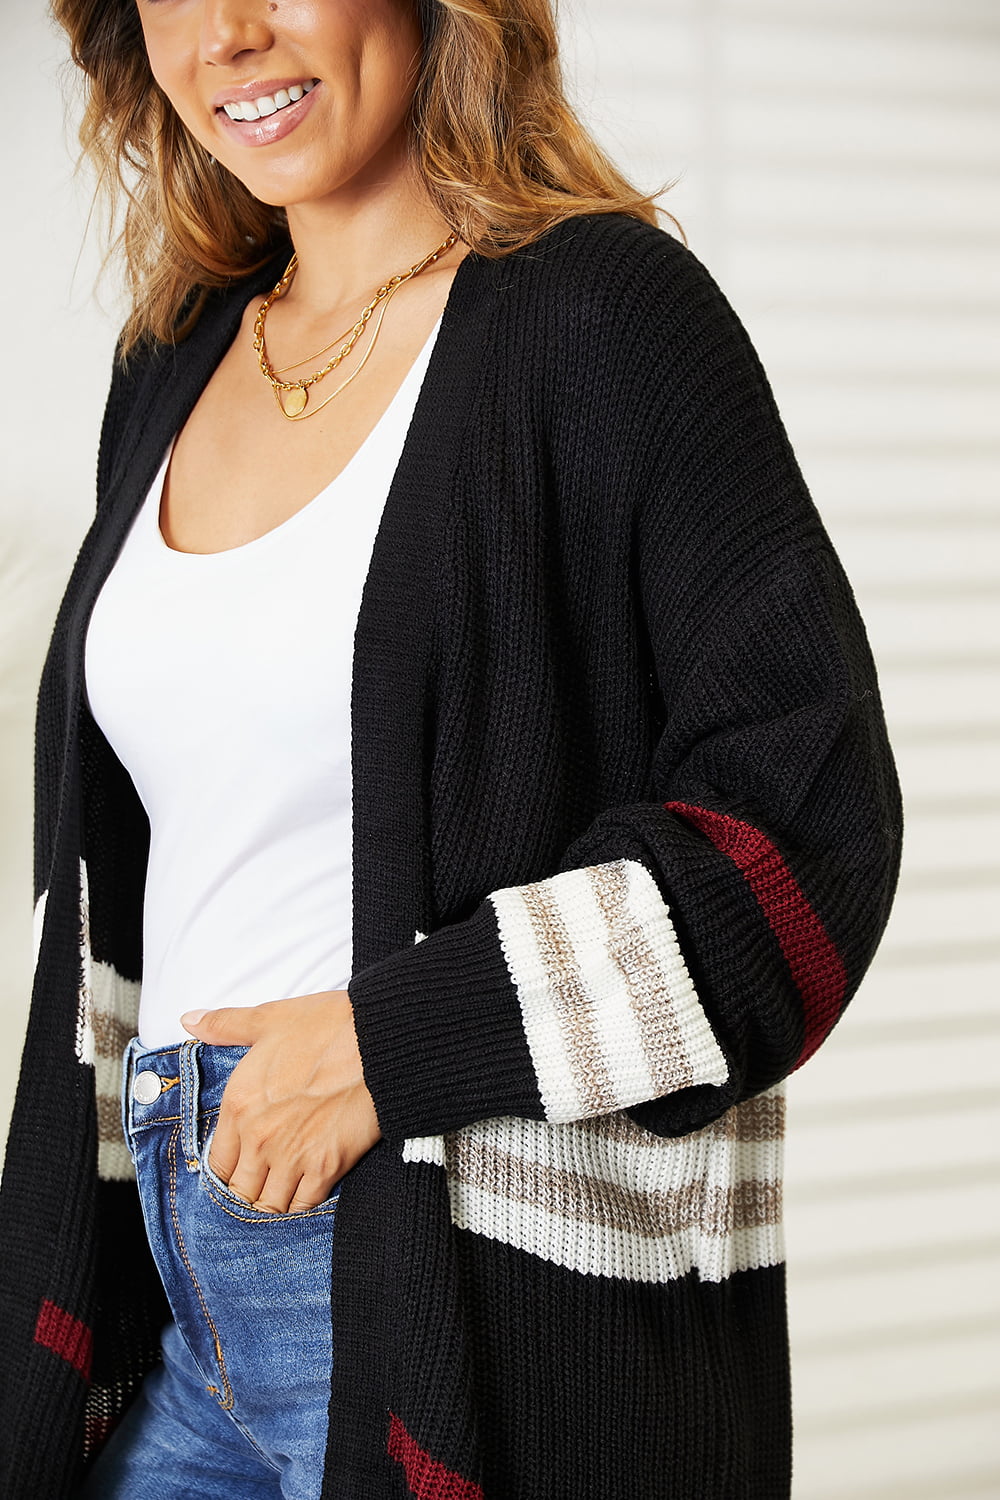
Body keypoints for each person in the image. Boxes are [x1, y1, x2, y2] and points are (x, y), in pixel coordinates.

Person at [0, 0, 902, 1496]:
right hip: (167, 1272)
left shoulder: (606, 313)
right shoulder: (170, 360)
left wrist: (387, 1044)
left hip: (460, 1279)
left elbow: (810, 829)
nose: (225, 32)